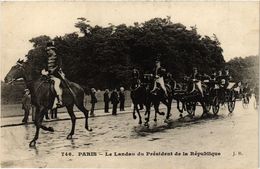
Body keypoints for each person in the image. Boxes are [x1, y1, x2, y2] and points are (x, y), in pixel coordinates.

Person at [42, 41, 64, 108]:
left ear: (53, 50)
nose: (47, 52)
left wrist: (52, 71)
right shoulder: (47, 59)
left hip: (57, 75)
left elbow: (59, 66)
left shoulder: (58, 57)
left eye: (48, 50)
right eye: (47, 50)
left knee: (56, 85)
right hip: (48, 76)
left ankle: (60, 100)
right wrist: (43, 71)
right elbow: (45, 67)